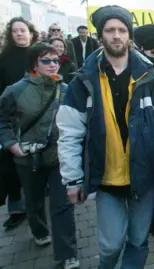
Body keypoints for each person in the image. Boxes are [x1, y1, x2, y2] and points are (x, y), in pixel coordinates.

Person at [56, 5, 154, 269]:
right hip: (106, 178)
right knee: (110, 245)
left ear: (129, 35)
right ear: (100, 35)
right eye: (109, 30)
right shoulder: (83, 80)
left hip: (145, 175)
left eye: (122, 30)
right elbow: (69, 132)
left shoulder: (148, 76)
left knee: (138, 240)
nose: (116, 35)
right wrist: (72, 179)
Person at [0, 43, 79, 269]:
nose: (53, 64)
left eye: (56, 60)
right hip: (28, 160)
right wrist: (11, 145)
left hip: (59, 158)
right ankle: (39, 230)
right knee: (34, 203)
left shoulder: (65, 89)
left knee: (62, 206)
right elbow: (2, 121)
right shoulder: (15, 90)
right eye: (46, 60)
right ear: (34, 63)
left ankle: (68, 254)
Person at [0, 16, 38, 230]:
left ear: (31, 33)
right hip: (10, 118)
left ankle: (37, 200)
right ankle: (16, 208)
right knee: (9, 166)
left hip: (35, 116)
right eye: (15, 31)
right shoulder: (4, 58)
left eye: (23, 30)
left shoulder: (39, 55)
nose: (20, 34)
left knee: (35, 160)